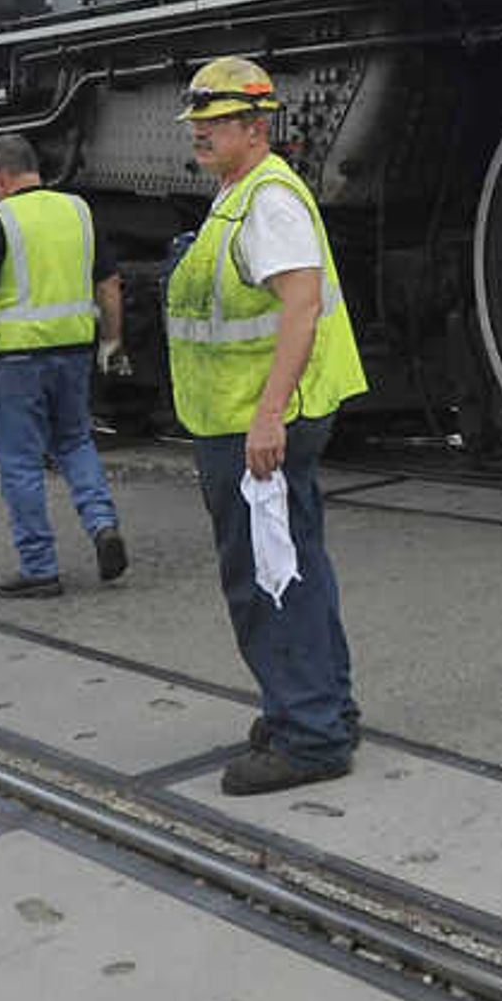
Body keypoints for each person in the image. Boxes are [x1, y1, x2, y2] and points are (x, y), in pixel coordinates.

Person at [162, 56, 371, 797]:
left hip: (256, 422)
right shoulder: (240, 192)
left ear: (258, 126)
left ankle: (309, 735)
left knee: (266, 578)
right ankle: (319, 706)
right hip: (244, 414)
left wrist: (267, 414)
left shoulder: (268, 199)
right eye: (198, 125)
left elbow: (301, 307)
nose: (201, 136)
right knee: (296, 563)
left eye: (215, 124)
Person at [0, 131, 126, 598]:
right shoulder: (78, 211)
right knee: (76, 442)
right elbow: (110, 285)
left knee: (20, 463)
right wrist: (112, 340)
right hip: (73, 355)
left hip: (20, 362)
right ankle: (102, 525)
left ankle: (39, 566)